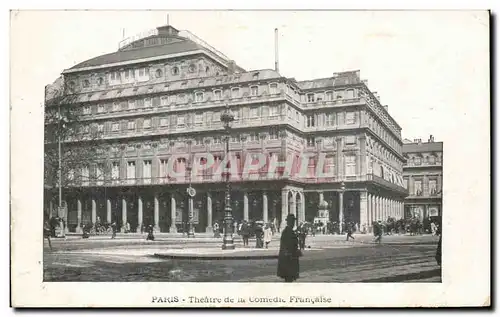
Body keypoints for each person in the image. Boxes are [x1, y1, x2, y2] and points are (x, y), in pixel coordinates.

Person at [277, 214, 301, 283]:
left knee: (289, 279)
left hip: (289, 257)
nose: (293, 223)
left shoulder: (289, 231)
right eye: (292, 221)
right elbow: (287, 246)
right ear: (289, 222)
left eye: (293, 221)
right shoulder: (287, 231)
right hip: (289, 258)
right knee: (289, 278)